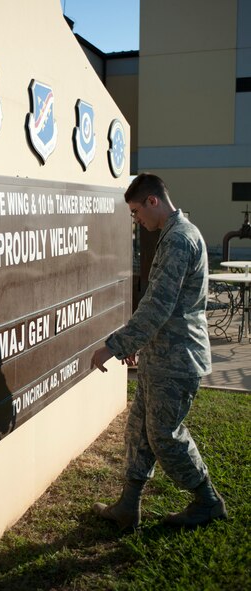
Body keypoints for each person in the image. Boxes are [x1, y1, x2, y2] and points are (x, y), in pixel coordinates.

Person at [90, 173, 227, 529]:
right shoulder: (173, 235)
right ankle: (128, 506)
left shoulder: (179, 240)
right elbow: (158, 303)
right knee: (139, 430)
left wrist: (115, 346)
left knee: (165, 435)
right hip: (161, 355)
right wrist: (141, 344)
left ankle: (207, 500)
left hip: (177, 358)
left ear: (153, 201)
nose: (136, 220)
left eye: (136, 212)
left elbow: (159, 306)